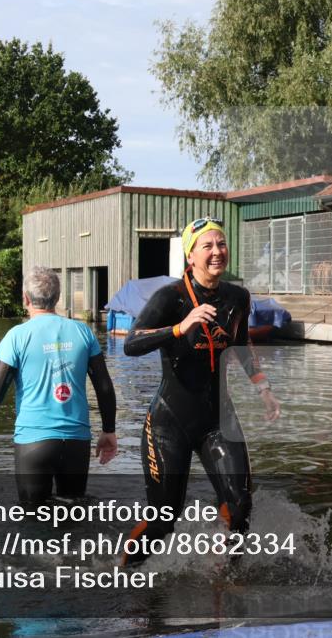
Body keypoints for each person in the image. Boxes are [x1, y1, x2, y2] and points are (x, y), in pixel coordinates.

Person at [122, 216, 280, 565]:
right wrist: (180, 327)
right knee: (165, 519)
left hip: (217, 419)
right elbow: (131, 343)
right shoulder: (171, 298)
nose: (216, 252)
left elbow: (239, 345)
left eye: (221, 244)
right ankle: (124, 572)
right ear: (190, 256)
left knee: (241, 505)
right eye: (206, 246)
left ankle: (221, 576)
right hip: (169, 422)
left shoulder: (237, 297)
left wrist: (263, 388)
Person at [0, 266, 118, 508]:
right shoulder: (83, 332)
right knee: (73, 519)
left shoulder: (17, 336)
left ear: (25, 298)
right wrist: (109, 430)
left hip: (34, 442)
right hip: (76, 441)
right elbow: (104, 386)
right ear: (58, 298)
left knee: (32, 521)